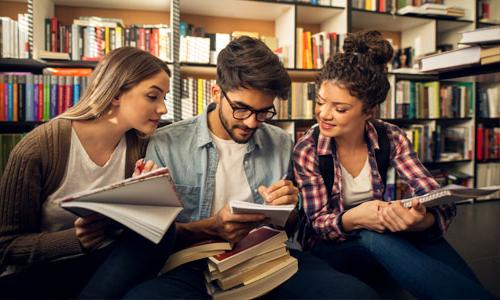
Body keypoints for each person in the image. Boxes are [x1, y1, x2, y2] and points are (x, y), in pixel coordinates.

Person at [123, 36, 378, 299]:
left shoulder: (279, 141)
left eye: (264, 112)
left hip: (269, 258)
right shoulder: (166, 144)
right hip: (193, 265)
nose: (252, 123)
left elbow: (292, 226)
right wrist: (211, 227)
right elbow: (153, 237)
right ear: (215, 93)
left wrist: (290, 207)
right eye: (241, 109)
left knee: (356, 294)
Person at [293, 30, 493, 299]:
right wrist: (356, 217)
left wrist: (421, 221)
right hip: (330, 246)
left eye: (340, 108)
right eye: (319, 102)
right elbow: (317, 225)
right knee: (374, 235)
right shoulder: (308, 149)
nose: (324, 114)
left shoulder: (391, 136)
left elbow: (435, 195)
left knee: (422, 235)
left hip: (379, 233)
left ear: (369, 110)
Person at [0, 47, 176, 299]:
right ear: (116, 94)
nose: (163, 109)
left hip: (104, 264)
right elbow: (6, 246)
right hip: (42, 271)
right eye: (152, 97)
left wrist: (142, 195)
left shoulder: (140, 144)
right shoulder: (38, 148)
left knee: (160, 225)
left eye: (164, 98)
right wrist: (76, 239)